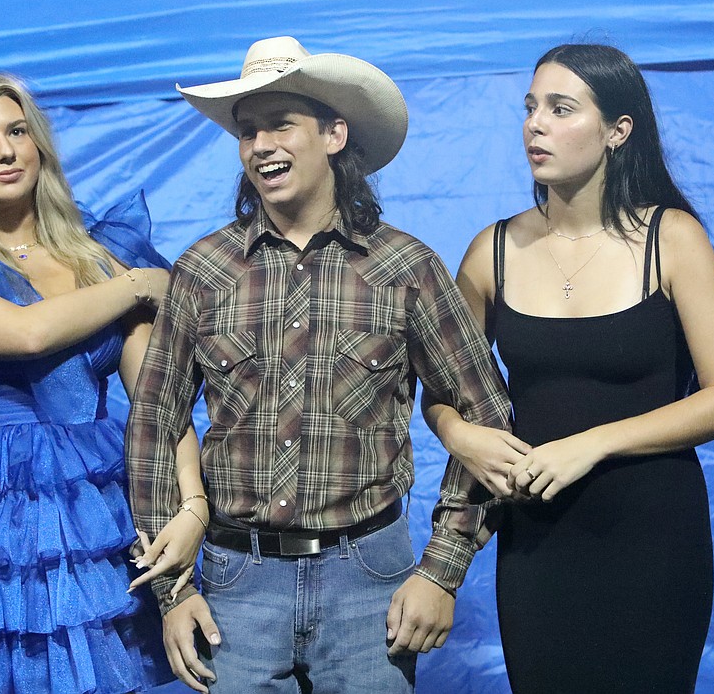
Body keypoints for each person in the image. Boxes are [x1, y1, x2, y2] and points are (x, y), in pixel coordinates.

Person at [124, 36, 520, 693]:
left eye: (280, 124)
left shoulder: (404, 268)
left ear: (335, 134)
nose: (260, 145)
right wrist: (173, 592)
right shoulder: (204, 271)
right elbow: (152, 426)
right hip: (235, 581)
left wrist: (442, 570)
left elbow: (486, 411)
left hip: (370, 578)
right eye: (247, 131)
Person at [424, 44, 714, 692]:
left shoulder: (672, 238)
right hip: (538, 539)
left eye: (560, 108)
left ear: (617, 130)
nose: (535, 124)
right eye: (530, 107)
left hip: (654, 538)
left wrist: (591, 444)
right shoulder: (492, 250)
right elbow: (441, 388)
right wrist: (458, 433)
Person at [0, 73, 206, 693]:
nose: (4, 151)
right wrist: (137, 284)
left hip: (91, 514)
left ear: (38, 144)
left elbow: (160, 405)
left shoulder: (98, 254)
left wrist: (193, 505)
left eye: (17, 131)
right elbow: (28, 334)